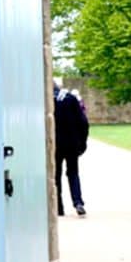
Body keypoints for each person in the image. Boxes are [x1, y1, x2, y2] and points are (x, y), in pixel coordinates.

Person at [54, 81, 89, 216]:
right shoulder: (71, 99)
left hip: (55, 144)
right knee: (73, 173)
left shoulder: (49, 101)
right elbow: (83, 122)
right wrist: (82, 143)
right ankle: (78, 202)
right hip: (72, 143)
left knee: (56, 175)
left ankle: (58, 207)